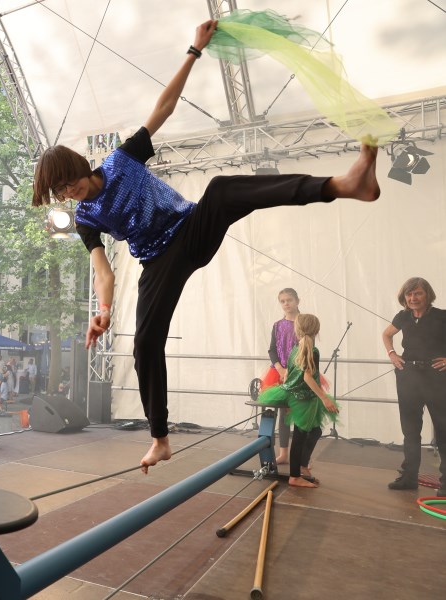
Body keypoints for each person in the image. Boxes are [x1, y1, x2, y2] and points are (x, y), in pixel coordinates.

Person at [34, 20, 383, 474]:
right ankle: (159, 438)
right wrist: (103, 311)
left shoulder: (122, 160)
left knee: (220, 188)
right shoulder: (84, 218)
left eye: (70, 183)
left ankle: (343, 183)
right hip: (158, 262)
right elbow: (104, 269)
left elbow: (164, 106)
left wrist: (194, 50)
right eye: (61, 193)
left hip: (191, 228)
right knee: (144, 344)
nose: (70, 194)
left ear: (81, 166)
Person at [257, 314, 339, 488]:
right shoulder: (311, 350)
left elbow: (288, 374)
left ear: (297, 330)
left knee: (315, 430)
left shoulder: (297, 346)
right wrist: (324, 398)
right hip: (302, 397)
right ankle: (295, 476)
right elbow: (308, 377)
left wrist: (288, 400)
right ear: (317, 330)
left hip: (296, 394)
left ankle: (302, 466)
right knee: (301, 436)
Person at [382, 277, 446, 496]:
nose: (413, 298)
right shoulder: (403, 317)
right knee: (410, 430)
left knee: (443, 429)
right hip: (408, 375)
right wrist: (392, 354)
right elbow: (387, 334)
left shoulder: (442, 316)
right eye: (409, 294)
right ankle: (409, 477)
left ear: (427, 294)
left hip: (436, 377)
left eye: (417, 293)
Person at [263, 288, 301, 465]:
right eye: (283, 301)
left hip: (299, 373)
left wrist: (292, 372)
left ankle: (302, 457)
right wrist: (280, 369)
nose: (286, 304)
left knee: (301, 413)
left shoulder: (304, 322)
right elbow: (272, 349)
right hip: (278, 372)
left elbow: (307, 350)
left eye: (289, 300)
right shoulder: (278, 325)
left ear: (297, 301)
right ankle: (284, 453)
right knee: (283, 414)